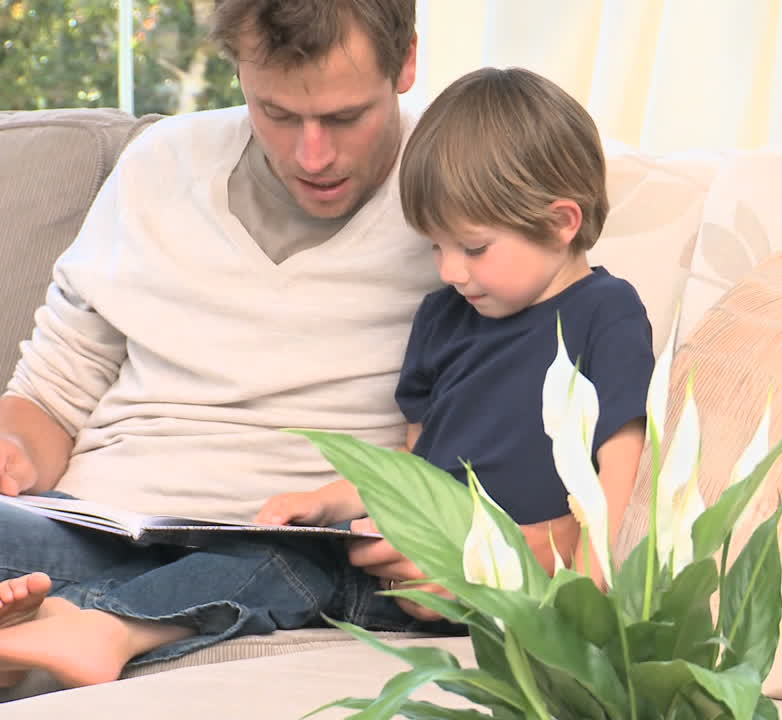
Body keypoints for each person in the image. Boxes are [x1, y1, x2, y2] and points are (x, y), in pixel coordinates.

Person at [0, 0, 448, 691]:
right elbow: (50, 399)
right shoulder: (159, 166)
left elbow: (503, 422)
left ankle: (70, 627)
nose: (313, 155)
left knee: (292, 566)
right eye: (277, 112)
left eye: (343, 116)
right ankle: (46, 624)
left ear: (408, 61)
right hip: (97, 528)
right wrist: (15, 452)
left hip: (288, 551)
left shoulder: (461, 200)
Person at [257, 66, 654, 591]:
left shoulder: (608, 314)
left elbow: (619, 477)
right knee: (274, 561)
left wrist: (583, 607)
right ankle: (126, 621)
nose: (449, 271)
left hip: (512, 586)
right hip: (407, 569)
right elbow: (417, 466)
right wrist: (323, 501)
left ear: (562, 223)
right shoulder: (442, 318)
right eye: (435, 246)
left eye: (473, 248)